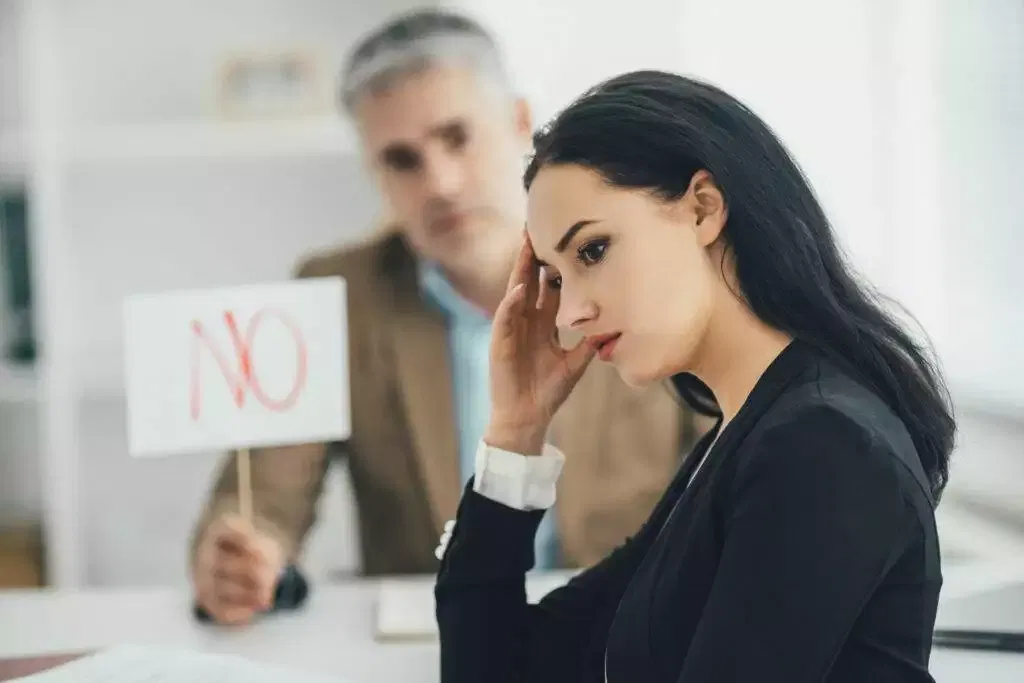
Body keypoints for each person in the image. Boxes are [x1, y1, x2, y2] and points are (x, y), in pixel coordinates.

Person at [434, 70, 956, 682]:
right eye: (554, 277)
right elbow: (505, 668)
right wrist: (515, 430)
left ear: (704, 208)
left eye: (592, 251)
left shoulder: (820, 444)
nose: (571, 312)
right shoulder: (741, 435)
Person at [188, 11, 705, 626]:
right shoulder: (341, 294)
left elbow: (732, 472)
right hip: (430, 648)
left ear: (520, 124)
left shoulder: (637, 262)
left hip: (623, 633)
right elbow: (261, 499)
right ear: (373, 173)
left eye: (457, 137)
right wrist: (244, 557)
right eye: (402, 160)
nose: (440, 182)